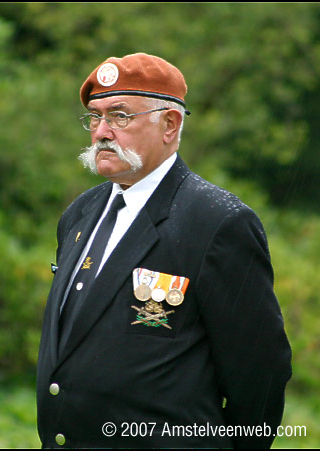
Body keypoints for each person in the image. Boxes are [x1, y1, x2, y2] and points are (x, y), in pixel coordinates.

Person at [36, 52, 292, 449]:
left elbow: (260, 372)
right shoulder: (80, 215)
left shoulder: (216, 222)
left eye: (120, 116)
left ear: (169, 125)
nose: (102, 131)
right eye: (95, 117)